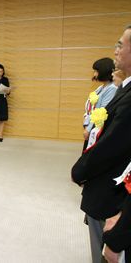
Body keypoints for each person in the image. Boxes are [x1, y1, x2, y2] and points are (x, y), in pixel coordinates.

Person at [72, 25, 131, 263]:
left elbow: (111, 146)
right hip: (106, 186)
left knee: (106, 252)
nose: (115, 50)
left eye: (120, 45)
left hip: (112, 190)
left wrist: (80, 171)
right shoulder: (118, 90)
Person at [82, 58, 117, 150]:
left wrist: (88, 129)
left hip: (96, 130)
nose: (94, 74)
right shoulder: (101, 87)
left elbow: (101, 112)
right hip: (91, 126)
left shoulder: (112, 88)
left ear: (104, 71)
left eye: (96, 71)